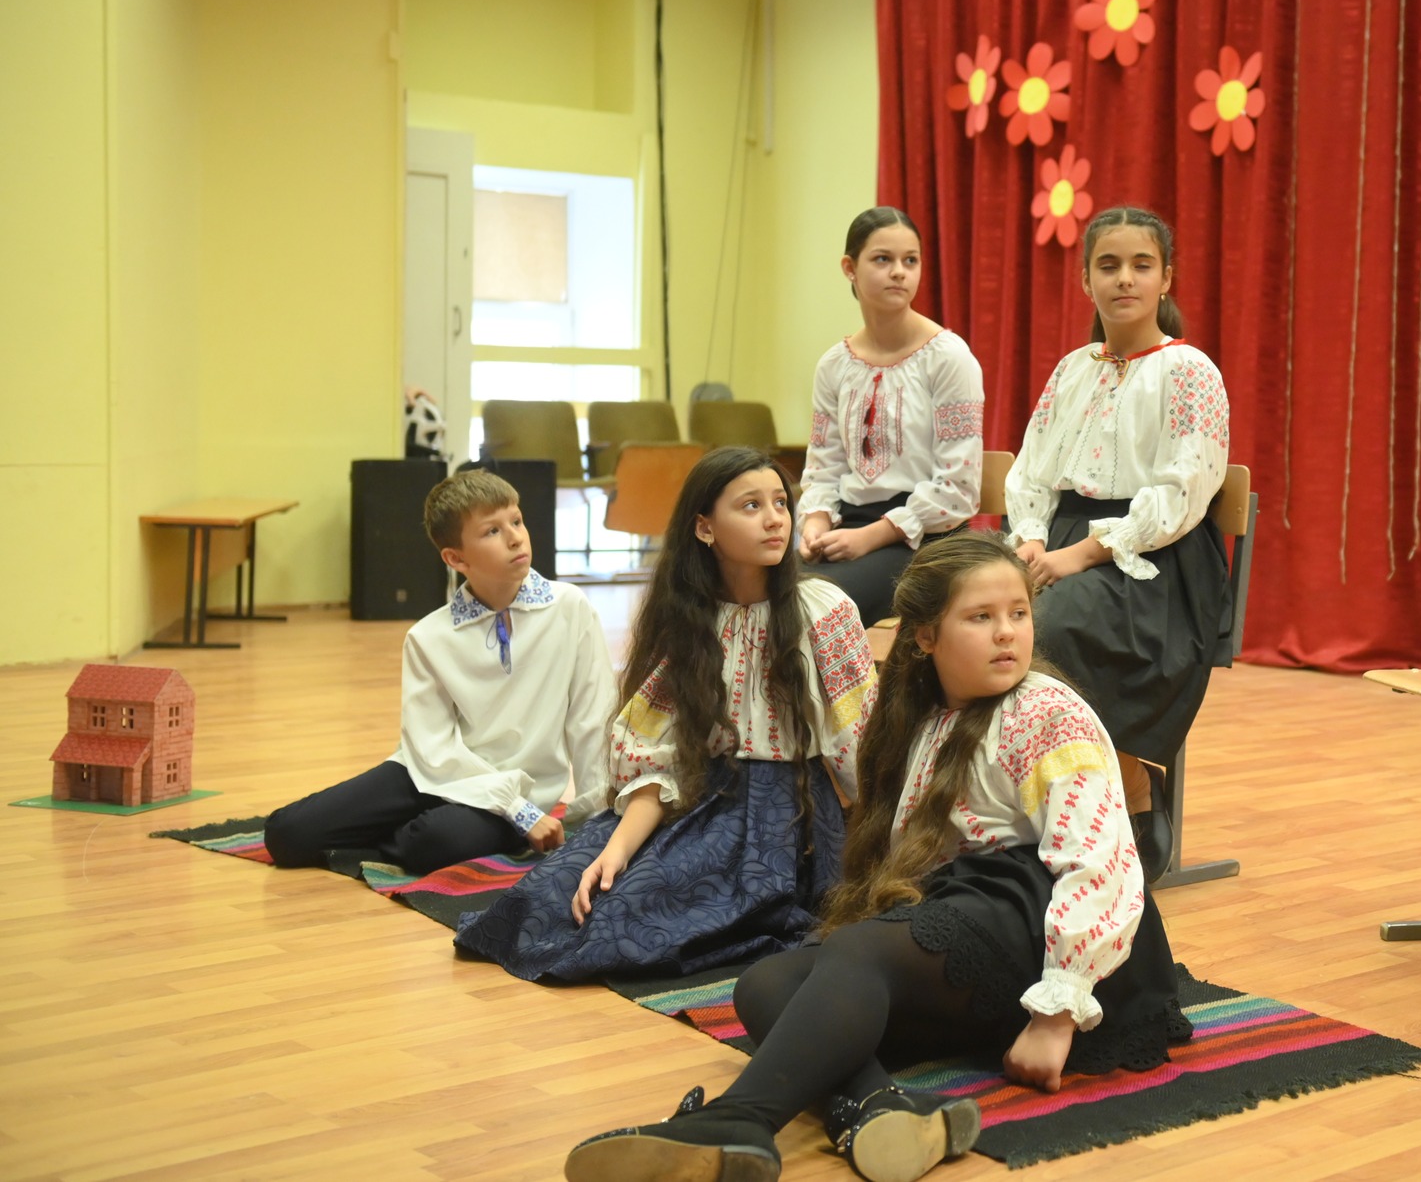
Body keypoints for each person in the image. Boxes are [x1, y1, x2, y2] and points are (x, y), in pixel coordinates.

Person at [562, 533, 1188, 1182]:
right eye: (981, 616)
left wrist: (1057, 1012)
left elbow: (1103, 862)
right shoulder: (919, 716)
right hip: (972, 918)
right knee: (766, 983)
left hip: (1044, 924)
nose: (1007, 632)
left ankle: (739, 1120)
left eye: (1019, 613)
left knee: (857, 951)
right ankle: (878, 1106)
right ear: (925, 636)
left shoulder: (1048, 713)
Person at [453, 447, 876, 983]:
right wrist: (616, 849)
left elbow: (862, 745)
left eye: (780, 503)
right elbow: (658, 761)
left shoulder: (825, 609)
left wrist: (880, 854)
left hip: (786, 818)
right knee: (553, 893)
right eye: (751, 505)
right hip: (698, 797)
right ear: (704, 527)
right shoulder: (689, 620)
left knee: (626, 922)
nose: (775, 519)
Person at [1005, 205, 1229, 864]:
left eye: (1141, 264)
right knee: (971, 615)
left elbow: (1181, 494)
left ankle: (1129, 785)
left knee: (1045, 628)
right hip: (1060, 540)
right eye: (1108, 265)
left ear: (1166, 278)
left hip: (1155, 559)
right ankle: (1018, 805)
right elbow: (1033, 468)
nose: (1124, 278)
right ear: (1086, 280)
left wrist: (1078, 554)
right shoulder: (1073, 368)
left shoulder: (1189, 370)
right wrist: (1029, 537)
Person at [264, 470, 611, 875]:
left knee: (433, 841)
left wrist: (595, 819)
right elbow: (431, 751)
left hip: (516, 789)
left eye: (516, 521)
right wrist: (520, 813)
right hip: (432, 774)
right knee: (287, 835)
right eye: (493, 531)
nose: (516, 537)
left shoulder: (570, 608)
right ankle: (405, 830)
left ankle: (409, 833)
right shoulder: (428, 636)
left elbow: (593, 719)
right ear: (455, 559)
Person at [798, 207, 984, 624]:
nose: (899, 272)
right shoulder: (834, 365)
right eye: (883, 259)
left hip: (925, 538)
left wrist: (872, 537)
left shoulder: (948, 358)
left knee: (813, 604)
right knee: (756, 589)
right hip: (849, 525)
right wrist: (815, 523)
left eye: (910, 260)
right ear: (850, 268)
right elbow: (824, 466)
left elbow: (959, 486)